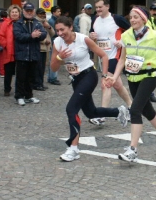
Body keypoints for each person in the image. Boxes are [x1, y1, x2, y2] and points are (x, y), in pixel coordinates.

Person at [50, 16, 130, 162]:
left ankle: (73, 149)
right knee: (90, 112)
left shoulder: (83, 39)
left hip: (88, 75)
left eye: (62, 29)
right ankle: (119, 111)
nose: (60, 33)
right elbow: (53, 67)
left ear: (70, 28)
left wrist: (105, 76)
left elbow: (103, 55)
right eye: (57, 30)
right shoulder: (57, 42)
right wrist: (60, 58)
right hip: (75, 79)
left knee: (71, 109)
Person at [106, 6, 156, 162]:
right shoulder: (126, 36)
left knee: (135, 109)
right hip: (132, 77)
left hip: (149, 76)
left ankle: (133, 150)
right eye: (131, 17)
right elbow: (122, 60)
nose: (132, 20)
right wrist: (114, 77)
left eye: (136, 17)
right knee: (147, 110)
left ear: (144, 19)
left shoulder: (154, 36)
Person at [88, 0, 132, 126]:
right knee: (117, 85)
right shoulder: (94, 19)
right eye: (96, 7)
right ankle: (132, 107)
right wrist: (91, 36)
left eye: (100, 7)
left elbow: (132, 32)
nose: (98, 10)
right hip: (103, 57)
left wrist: (121, 41)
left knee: (106, 83)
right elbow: (91, 36)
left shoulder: (116, 19)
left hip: (115, 56)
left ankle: (101, 115)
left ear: (107, 6)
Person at [13, 2, 47, 106]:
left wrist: (39, 35)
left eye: (30, 11)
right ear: (23, 11)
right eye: (27, 11)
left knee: (31, 77)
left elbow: (44, 33)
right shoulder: (18, 23)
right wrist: (31, 36)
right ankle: (19, 96)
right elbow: (18, 36)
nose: (29, 12)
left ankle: (29, 95)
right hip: (22, 54)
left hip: (34, 54)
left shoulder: (37, 22)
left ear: (33, 11)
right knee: (21, 77)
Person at [0, 5, 20, 96]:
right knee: (8, 72)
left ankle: (19, 89)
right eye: (13, 12)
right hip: (9, 51)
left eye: (16, 12)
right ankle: (7, 89)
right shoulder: (5, 23)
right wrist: (6, 44)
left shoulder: (21, 23)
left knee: (20, 72)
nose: (14, 14)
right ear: (9, 13)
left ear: (19, 13)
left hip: (19, 50)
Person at [33, 8, 54, 90]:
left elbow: (52, 34)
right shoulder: (36, 22)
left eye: (43, 13)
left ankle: (40, 83)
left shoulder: (45, 22)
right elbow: (36, 35)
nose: (42, 15)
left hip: (46, 48)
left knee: (43, 68)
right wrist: (44, 41)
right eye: (41, 14)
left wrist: (48, 27)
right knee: (38, 68)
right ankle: (37, 84)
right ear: (37, 14)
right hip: (40, 48)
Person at [47, 5, 62, 85]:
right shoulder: (52, 21)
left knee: (55, 59)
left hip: (55, 41)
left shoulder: (56, 20)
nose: (59, 13)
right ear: (53, 12)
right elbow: (53, 33)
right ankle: (52, 77)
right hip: (54, 42)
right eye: (58, 11)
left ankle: (52, 77)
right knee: (54, 59)